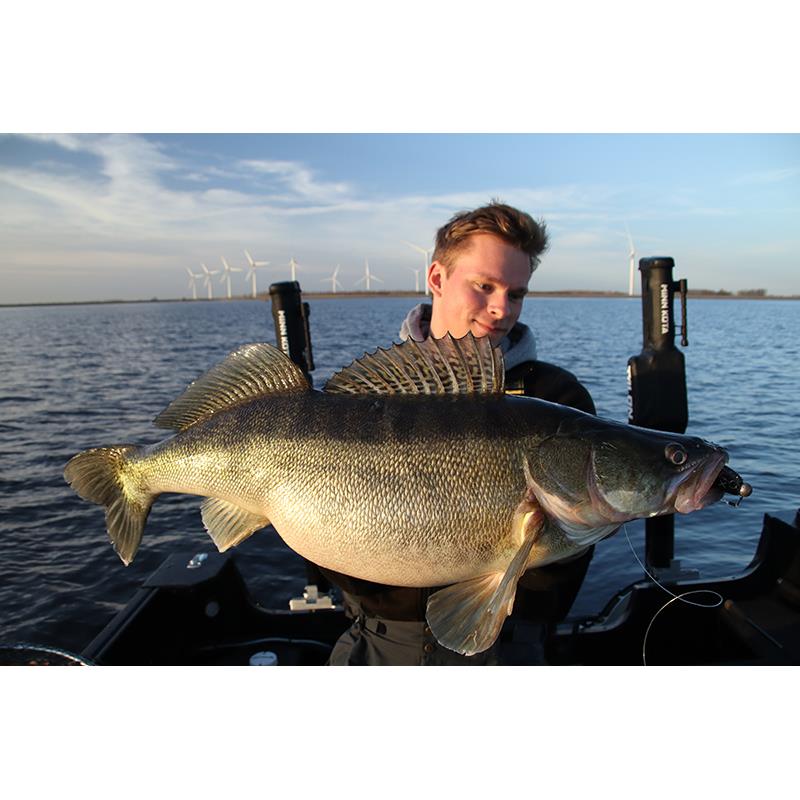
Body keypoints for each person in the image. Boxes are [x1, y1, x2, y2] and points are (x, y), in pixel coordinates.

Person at [321, 201, 596, 665]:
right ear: (437, 278)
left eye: (516, 294)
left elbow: (554, 583)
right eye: (484, 286)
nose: (501, 308)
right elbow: (342, 565)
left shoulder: (556, 399)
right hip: (381, 642)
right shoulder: (365, 398)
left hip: (507, 647)